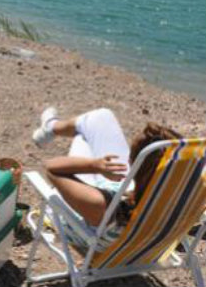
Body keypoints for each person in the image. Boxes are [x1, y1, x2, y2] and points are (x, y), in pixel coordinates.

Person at [32, 107, 182, 251]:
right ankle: (50, 127)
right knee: (100, 118)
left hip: (83, 216)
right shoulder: (182, 197)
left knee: (85, 134)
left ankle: (51, 127)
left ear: (132, 166)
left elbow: (51, 168)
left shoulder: (103, 206)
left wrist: (94, 166)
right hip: (133, 221)